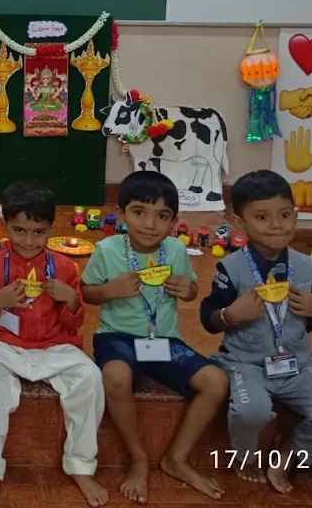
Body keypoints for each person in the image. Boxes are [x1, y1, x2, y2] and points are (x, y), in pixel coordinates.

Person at [199, 170, 312, 492]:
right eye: (262, 217)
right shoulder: (232, 267)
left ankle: (290, 454)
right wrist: (230, 315)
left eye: (284, 215)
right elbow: (208, 318)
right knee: (251, 411)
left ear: (294, 215)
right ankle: (245, 457)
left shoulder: (305, 265)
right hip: (246, 364)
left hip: (297, 366)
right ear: (238, 221)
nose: (276, 225)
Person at [81, 171, 229, 503]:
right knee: (115, 377)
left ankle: (177, 458)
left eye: (162, 216)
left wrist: (187, 289)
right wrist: (110, 290)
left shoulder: (175, 250)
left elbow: (192, 289)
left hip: (164, 341)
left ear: (174, 221)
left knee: (217, 382)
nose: (150, 224)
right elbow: (87, 292)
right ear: (121, 213)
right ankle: (138, 458)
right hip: (116, 337)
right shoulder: (106, 249)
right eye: (139, 212)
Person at [0, 182, 104, 508]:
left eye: (38, 233)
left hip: (54, 344)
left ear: (50, 230)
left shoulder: (65, 267)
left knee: (90, 378)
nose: (28, 241)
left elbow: (73, 323)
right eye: (19, 231)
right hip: (5, 344)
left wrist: (71, 299)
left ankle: (81, 464)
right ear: (5, 226)